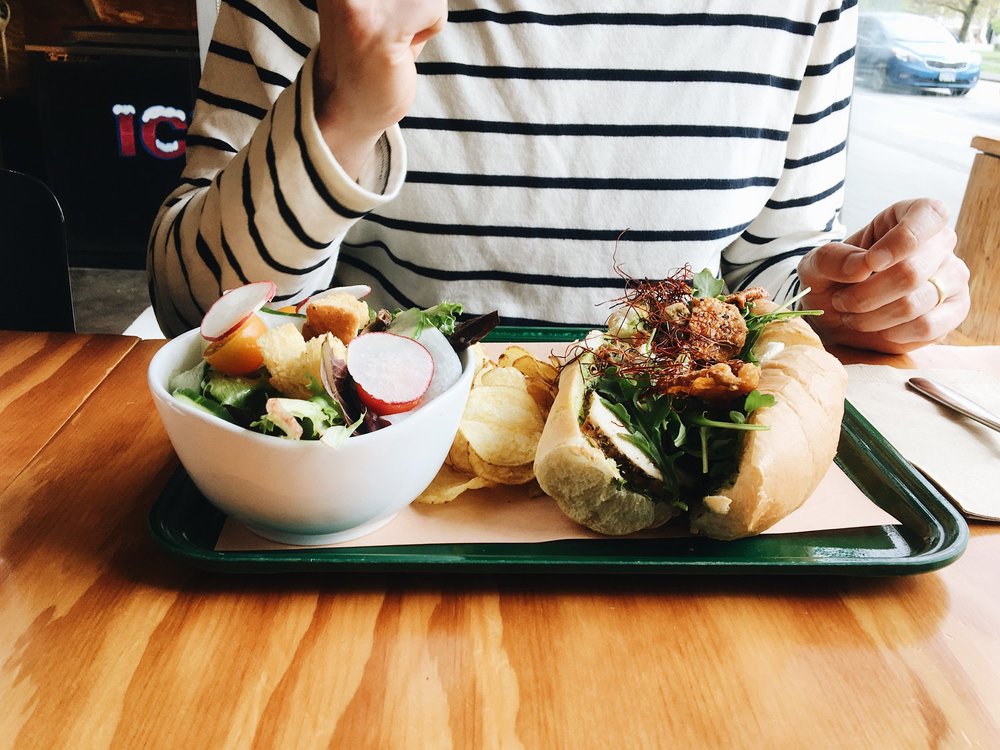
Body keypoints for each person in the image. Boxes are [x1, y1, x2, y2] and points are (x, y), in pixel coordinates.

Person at [148, 1, 969, 353]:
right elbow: (188, 304)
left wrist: (857, 294)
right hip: (372, 498)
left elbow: (771, 273)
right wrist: (339, 116)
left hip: (682, 522)